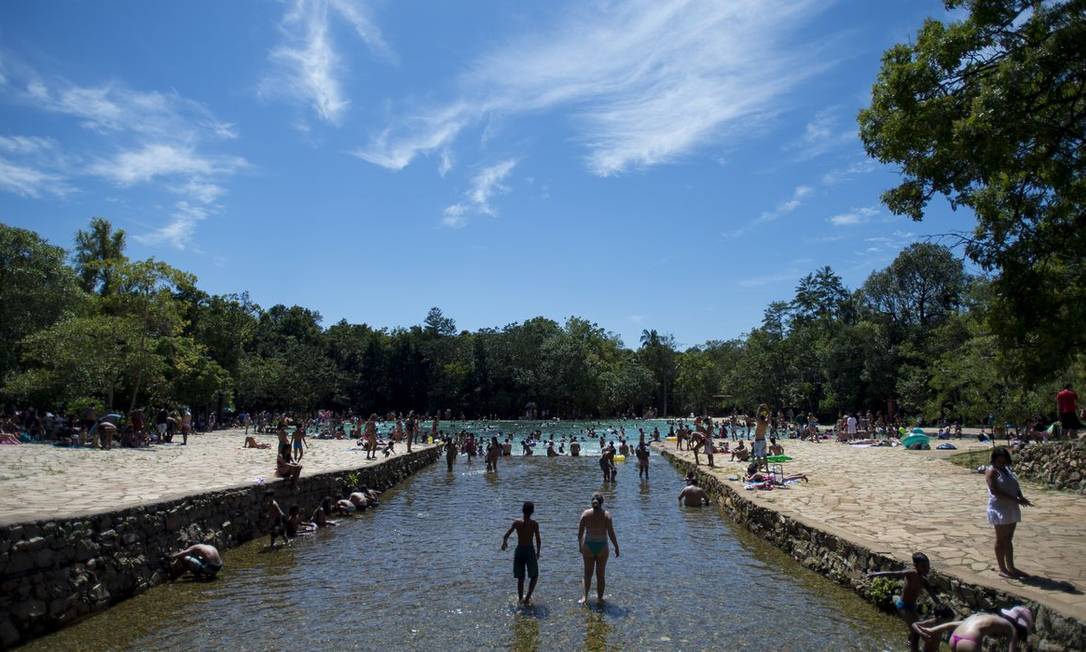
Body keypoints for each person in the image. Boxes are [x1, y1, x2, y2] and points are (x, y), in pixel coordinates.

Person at [867, 552, 938, 652]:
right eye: (923, 566)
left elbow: (933, 595)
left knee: (918, 626)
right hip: (903, 606)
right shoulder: (911, 573)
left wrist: (941, 606)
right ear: (915, 566)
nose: (926, 569)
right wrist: (875, 574)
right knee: (916, 629)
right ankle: (913, 648)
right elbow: (894, 574)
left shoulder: (924, 580)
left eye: (928, 566)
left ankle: (910, 643)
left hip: (912, 606)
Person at [986, 447, 1032, 579]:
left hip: (1011, 507)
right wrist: (1015, 499)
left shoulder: (1007, 470)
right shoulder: (992, 471)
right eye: (999, 461)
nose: (1001, 463)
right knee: (1001, 539)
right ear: (994, 460)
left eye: (1004, 461)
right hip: (998, 508)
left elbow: (1015, 487)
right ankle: (1003, 568)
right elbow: (994, 490)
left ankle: (1011, 567)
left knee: (1009, 539)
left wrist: (1020, 497)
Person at [913, 606, 1032, 652]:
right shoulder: (1011, 628)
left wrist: (932, 630)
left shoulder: (986, 616)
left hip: (955, 638)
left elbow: (953, 625)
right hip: (969, 640)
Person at [578, 493, 619, 605]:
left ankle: (585, 598)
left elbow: (580, 533)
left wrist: (580, 545)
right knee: (600, 575)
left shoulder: (585, 514)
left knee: (587, 574)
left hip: (589, 545)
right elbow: (611, 533)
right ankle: (600, 599)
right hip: (602, 546)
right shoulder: (607, 515)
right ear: (602, 502)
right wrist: (616, 546)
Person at [501, 501, 542, 606]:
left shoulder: (516, 522)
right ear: (532, 511)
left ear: (522, 510)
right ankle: (527, 598)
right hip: (529, 550)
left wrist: (504, 543)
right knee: (534, 575)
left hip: (519, 550)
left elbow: (506, 535)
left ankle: (520, 599)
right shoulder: (534, 524)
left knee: (520, 577)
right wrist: (538, 552)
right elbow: (538, 540)